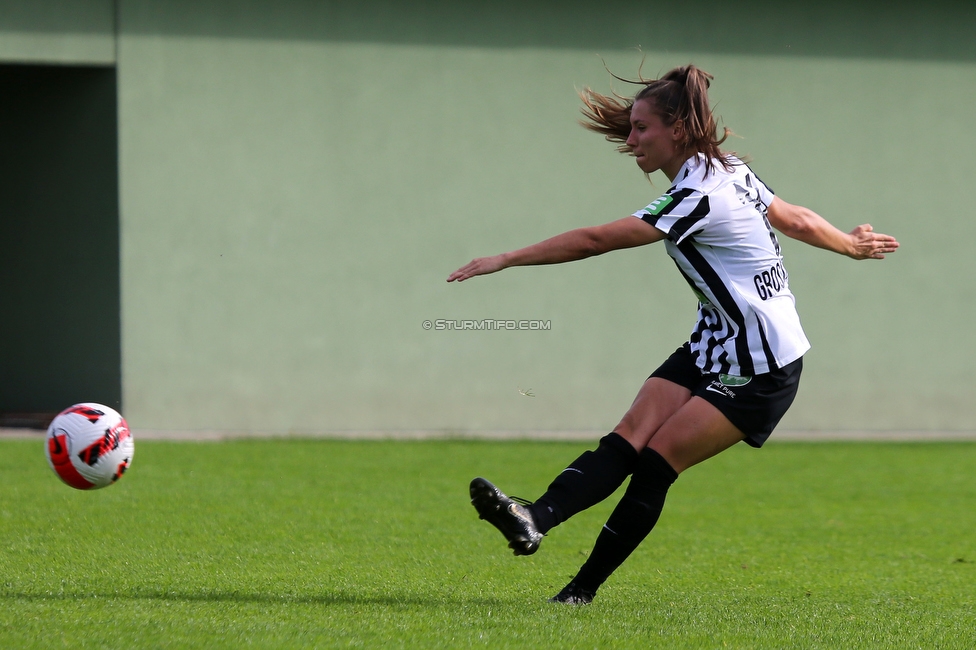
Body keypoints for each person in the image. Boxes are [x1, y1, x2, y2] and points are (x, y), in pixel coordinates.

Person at [446, 64, 899, 605]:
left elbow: (596, 239)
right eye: (631, 128)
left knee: (656, 461)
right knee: (627, 436)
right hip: (714, 340)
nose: (630, 140)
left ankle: (579, 592)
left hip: (763, 363)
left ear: (677, 131)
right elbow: (794, 218)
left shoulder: (700, 194)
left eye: (642, 128)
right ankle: (533, 518)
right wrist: (849, 244)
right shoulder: (725, 170)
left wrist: (506, 258)